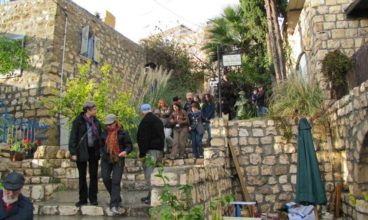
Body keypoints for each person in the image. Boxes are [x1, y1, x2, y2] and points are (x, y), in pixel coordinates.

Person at [69, 101, 102, 207]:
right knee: (82, 176)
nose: (96, 110)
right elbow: (73, 137)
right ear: (88, 110)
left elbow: (100, 136)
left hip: (93, 151)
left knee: (93, 175)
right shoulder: (78, 121)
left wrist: (100, 150)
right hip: (81, 150)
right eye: (94, 109)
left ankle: (93, 198)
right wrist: (73, 152)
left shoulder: (96, 121)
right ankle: (82, 199)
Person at [100, 114, 132, 215]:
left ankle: (114, 205)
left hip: (118, 159)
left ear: (115, 122)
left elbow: (129, 145)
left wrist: (125, 151)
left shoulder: (123, 133)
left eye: (110, 124)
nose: (108, 126)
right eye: (107, 124)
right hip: (106, 159)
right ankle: (116, 196)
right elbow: (100, 145)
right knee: (105, 178)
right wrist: (102, 152)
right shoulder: (104, 133)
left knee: (116, 181)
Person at [137, 104, 165, 205]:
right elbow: (162, 136)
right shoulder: (158, 120)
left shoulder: (145, 122)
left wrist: (142, 154)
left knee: (149, 175)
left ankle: (153, 198)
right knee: (156, 174)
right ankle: (151, 196)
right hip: (159, 151)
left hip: (150, 152)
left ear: (142, 112)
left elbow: (144, 139)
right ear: (151, 110)